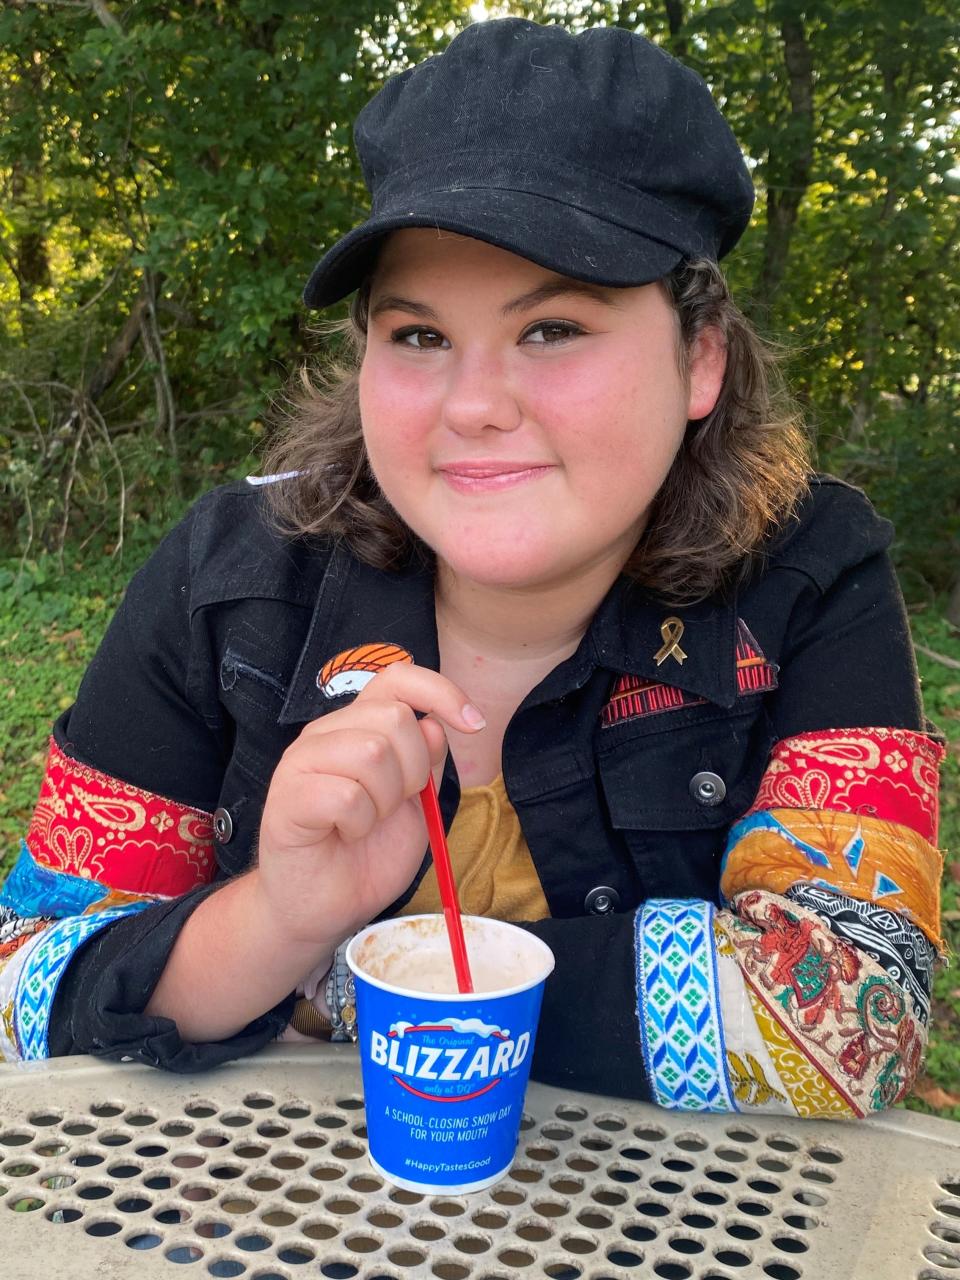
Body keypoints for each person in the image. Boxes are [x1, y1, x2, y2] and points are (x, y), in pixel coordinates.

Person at [0, 19, 943, 1116]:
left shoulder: (807, 574)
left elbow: (846, 1017)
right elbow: (29, 978)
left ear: (701, 359)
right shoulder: (229, 581)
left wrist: (341, 979)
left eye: (551, 328)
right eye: (418, 335)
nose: (475, 406)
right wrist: (282, 914)